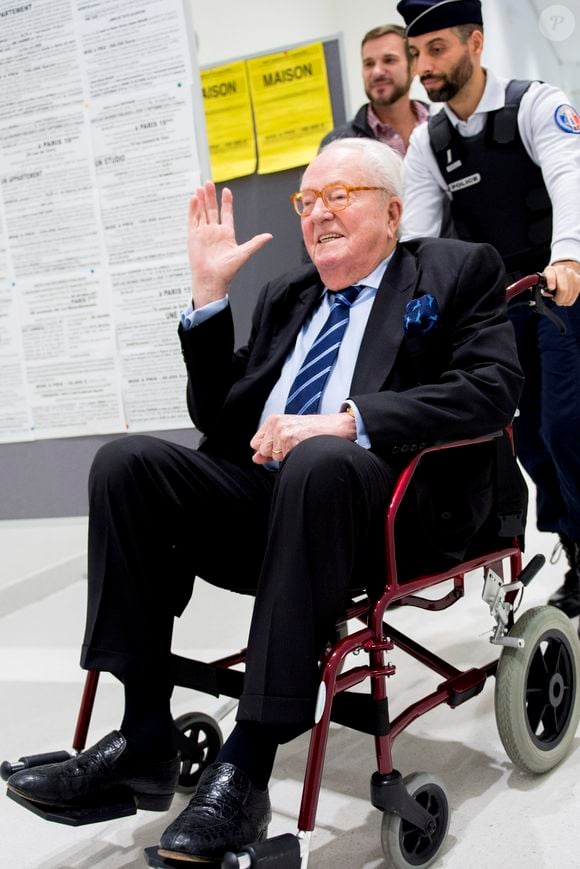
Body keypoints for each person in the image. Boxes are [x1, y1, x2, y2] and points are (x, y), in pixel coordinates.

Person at [7, 137, 525, 863]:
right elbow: (221, 417)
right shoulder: (290, 294)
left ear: (393, 211)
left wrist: (349, 420)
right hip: (270, 500)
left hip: (385, 510)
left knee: (319, 460)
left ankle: (248, 765)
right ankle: (143, 737)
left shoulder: (456, 269)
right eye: (306, 201)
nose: (317, 213)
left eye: (338, 195)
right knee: (126, 463)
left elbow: (492, 388)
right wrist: (209, 298)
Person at [398, 0, 580, 616]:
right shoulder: (430, 140)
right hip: (500, 309)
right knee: (528, 441)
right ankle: (575, 548)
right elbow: (418, 240)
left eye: (438, 49)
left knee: (566, 426)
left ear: (475, 43)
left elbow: (569, 175)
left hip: (561, 293)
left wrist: (571, 260)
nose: (424, 66)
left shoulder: (534, 104)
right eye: (416, 53)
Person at [320, 24, 429, 155]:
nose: (377, 72)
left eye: (389, 60)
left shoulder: (444, 125)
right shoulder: (339, 145)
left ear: (413, 67)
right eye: (369, 64)